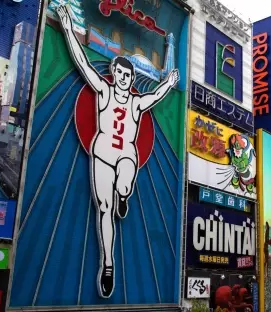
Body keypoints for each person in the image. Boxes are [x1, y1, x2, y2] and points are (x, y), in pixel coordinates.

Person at [56, 4, 179, 298]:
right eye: (120, 73)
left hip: (126, 155)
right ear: (114, 73)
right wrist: (66, 27)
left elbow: (156, 95)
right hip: (101, 155)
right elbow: (84, 64)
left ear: (131, 78)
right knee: (104, 209)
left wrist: (170, 82)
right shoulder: (104, 91)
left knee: (124, 184)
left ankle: (124, 194)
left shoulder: (136, 103)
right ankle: (108, 264)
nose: (124, 78)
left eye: (128, 75)